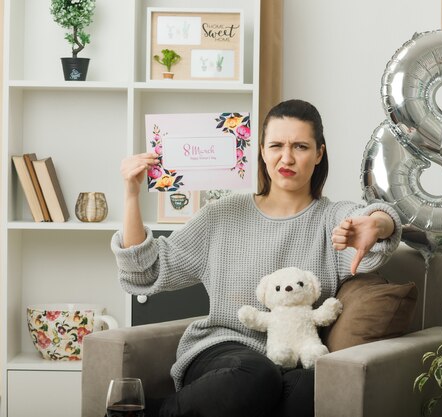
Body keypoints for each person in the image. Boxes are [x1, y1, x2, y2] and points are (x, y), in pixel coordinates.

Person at [111, 99, 402, 417]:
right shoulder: (221, 215)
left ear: (319, 153)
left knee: (310, 386)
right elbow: (147, 272)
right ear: (261, 150)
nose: (286, 158)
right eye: (276, 145)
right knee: (257, 373)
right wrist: (131, 195)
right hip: (222, 353)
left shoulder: (332, 219)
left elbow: (375, 225)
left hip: (289, 359)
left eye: (301, 146)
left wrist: (378, 223)